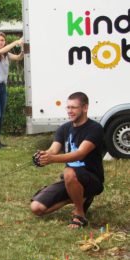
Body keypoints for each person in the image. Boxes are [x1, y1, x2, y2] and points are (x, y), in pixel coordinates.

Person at [30, 92, 104, 229]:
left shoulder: (95, 129)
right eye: (68, 107)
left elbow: (80, 154)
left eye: (74, 107)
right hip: (70, 181)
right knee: (36, 208)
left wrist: (52, 159)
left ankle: (80, 215)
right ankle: (79, 197)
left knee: (68, 172)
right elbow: (53, 150)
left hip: (92, 179)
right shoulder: (64, 128)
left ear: (85, 108)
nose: (70, 111)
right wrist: (43, 155)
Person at [0, 32, 24, 149]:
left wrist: (22, 47)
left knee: (0, 116)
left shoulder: (6, 54)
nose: (0, 42)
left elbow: (18, 58)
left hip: (2, 88)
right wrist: (16, 42)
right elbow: (1, 51)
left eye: (2, 40)